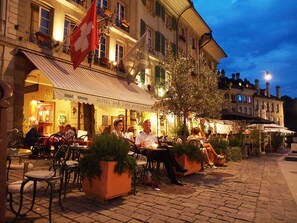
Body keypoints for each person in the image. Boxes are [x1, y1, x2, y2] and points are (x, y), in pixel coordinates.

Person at [135, 119, 188, 186]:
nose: (148, 127)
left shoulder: (153, 135)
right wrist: (141, 144)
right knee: (166, 150)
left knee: (167, 157)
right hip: (147, 153)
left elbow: (157, 144)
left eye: (149, 125)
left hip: (155, 151)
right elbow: (137, 146)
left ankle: (173, 179)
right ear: (143, 126)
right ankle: (177, 167)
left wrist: (156, 145)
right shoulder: (140, 136)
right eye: (146, 125)